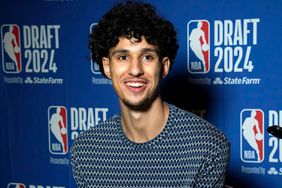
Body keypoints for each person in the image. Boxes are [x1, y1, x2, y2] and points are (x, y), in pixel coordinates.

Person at [70, 1, 230, 187]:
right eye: (123, 57)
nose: (135, 70)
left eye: (147, 57)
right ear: (107, 67)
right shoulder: (86, 151)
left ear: (164, 66)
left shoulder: (208, 146)